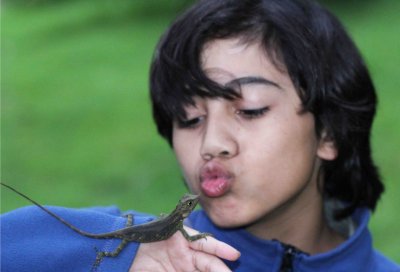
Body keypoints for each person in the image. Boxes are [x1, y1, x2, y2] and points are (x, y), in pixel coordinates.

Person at [1, 0, 399, 271]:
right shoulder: (159, 254)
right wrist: (105, 257)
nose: (211, 145)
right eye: (188, 118)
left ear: (328, 132)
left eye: (250, 109)